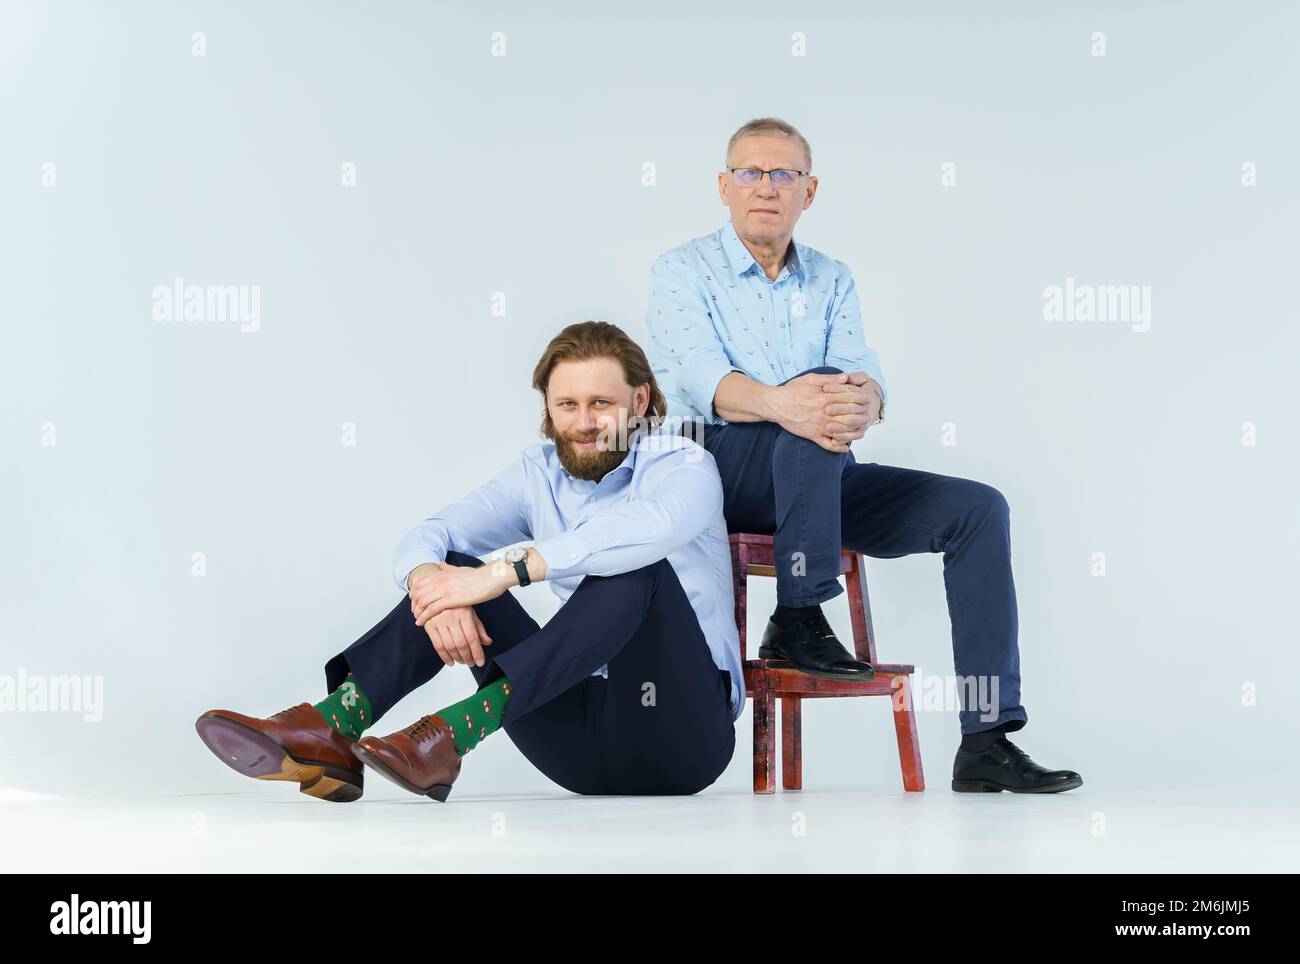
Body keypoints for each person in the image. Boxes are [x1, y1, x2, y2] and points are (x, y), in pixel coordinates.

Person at [644, 116, 1081, 793]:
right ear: (724, 186)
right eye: (751, 173)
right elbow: (708, 385)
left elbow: (859, 376)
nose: (767, 186)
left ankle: (986, 740)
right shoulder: (681, 270)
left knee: (977, 510)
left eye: (783, 174)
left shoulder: (831, 278)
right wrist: (797, 403)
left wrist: (865, 400)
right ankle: (798, 614)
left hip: (816, 473)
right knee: (808, 420)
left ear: (808, 191)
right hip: (719, 467)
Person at [196, 321, 742, 802]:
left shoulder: (683, 463)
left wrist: (501, 573)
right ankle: (335, 727)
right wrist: (436, 588)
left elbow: (644, 530)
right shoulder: (538, 474)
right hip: (574, 749)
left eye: (602, 403)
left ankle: (450, 735)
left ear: (640, 402)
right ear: (548, 409)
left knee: (631, 564)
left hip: (679, 734)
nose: (583, 422)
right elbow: (432, 533)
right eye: (566, 405)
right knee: (447, 564)